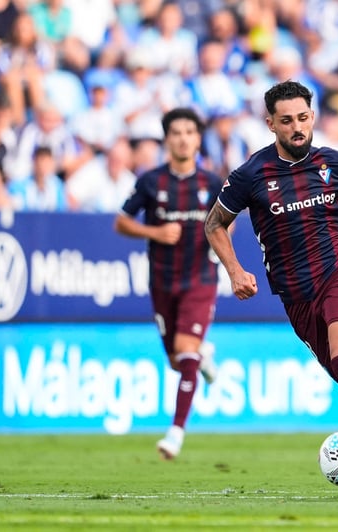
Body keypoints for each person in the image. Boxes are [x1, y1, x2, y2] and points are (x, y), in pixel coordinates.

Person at [204, 80, 338, 494]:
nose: (297, 127)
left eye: (303, 118)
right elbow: (214, 223)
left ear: (313, 117)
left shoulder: (333, 162)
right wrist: (234, 270)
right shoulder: (251, 174)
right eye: (287, 121)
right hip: (296, 295)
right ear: (271, 124)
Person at [114, 107, 222, 460]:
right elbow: (121, 222)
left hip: (200, 279)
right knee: (179, 360)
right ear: (167, 139)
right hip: (162, 281)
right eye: (176, 133)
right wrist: (154, 232)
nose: (183, 139)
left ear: (198, 139)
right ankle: (203, 355)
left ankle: (175, 432)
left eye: (189, 132)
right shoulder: (151, 181)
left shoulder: (212, 184)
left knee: (185, 351)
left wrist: (219, 242)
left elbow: (228, 221)